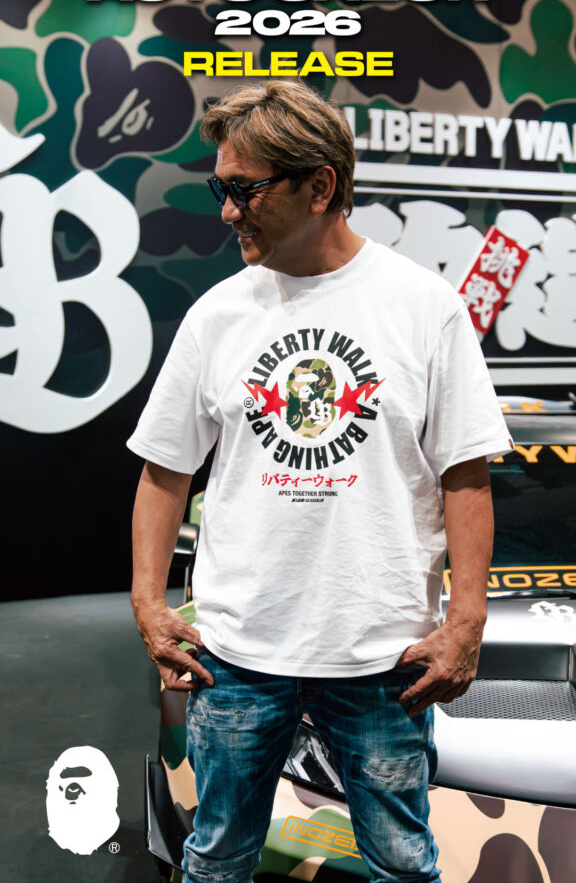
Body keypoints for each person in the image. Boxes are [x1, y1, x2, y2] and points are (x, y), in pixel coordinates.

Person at [128, 80, 513, 883]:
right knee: (216, 858)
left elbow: (466, 476)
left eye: (245, 190)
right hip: (236, 651)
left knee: (403, 865)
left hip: (385, 654)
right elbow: (165, 471)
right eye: (221, 189)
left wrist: (467, 621)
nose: (227, 212)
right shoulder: (218, 315)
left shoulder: (423, 307)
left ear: (320, 186)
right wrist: (148, 603)